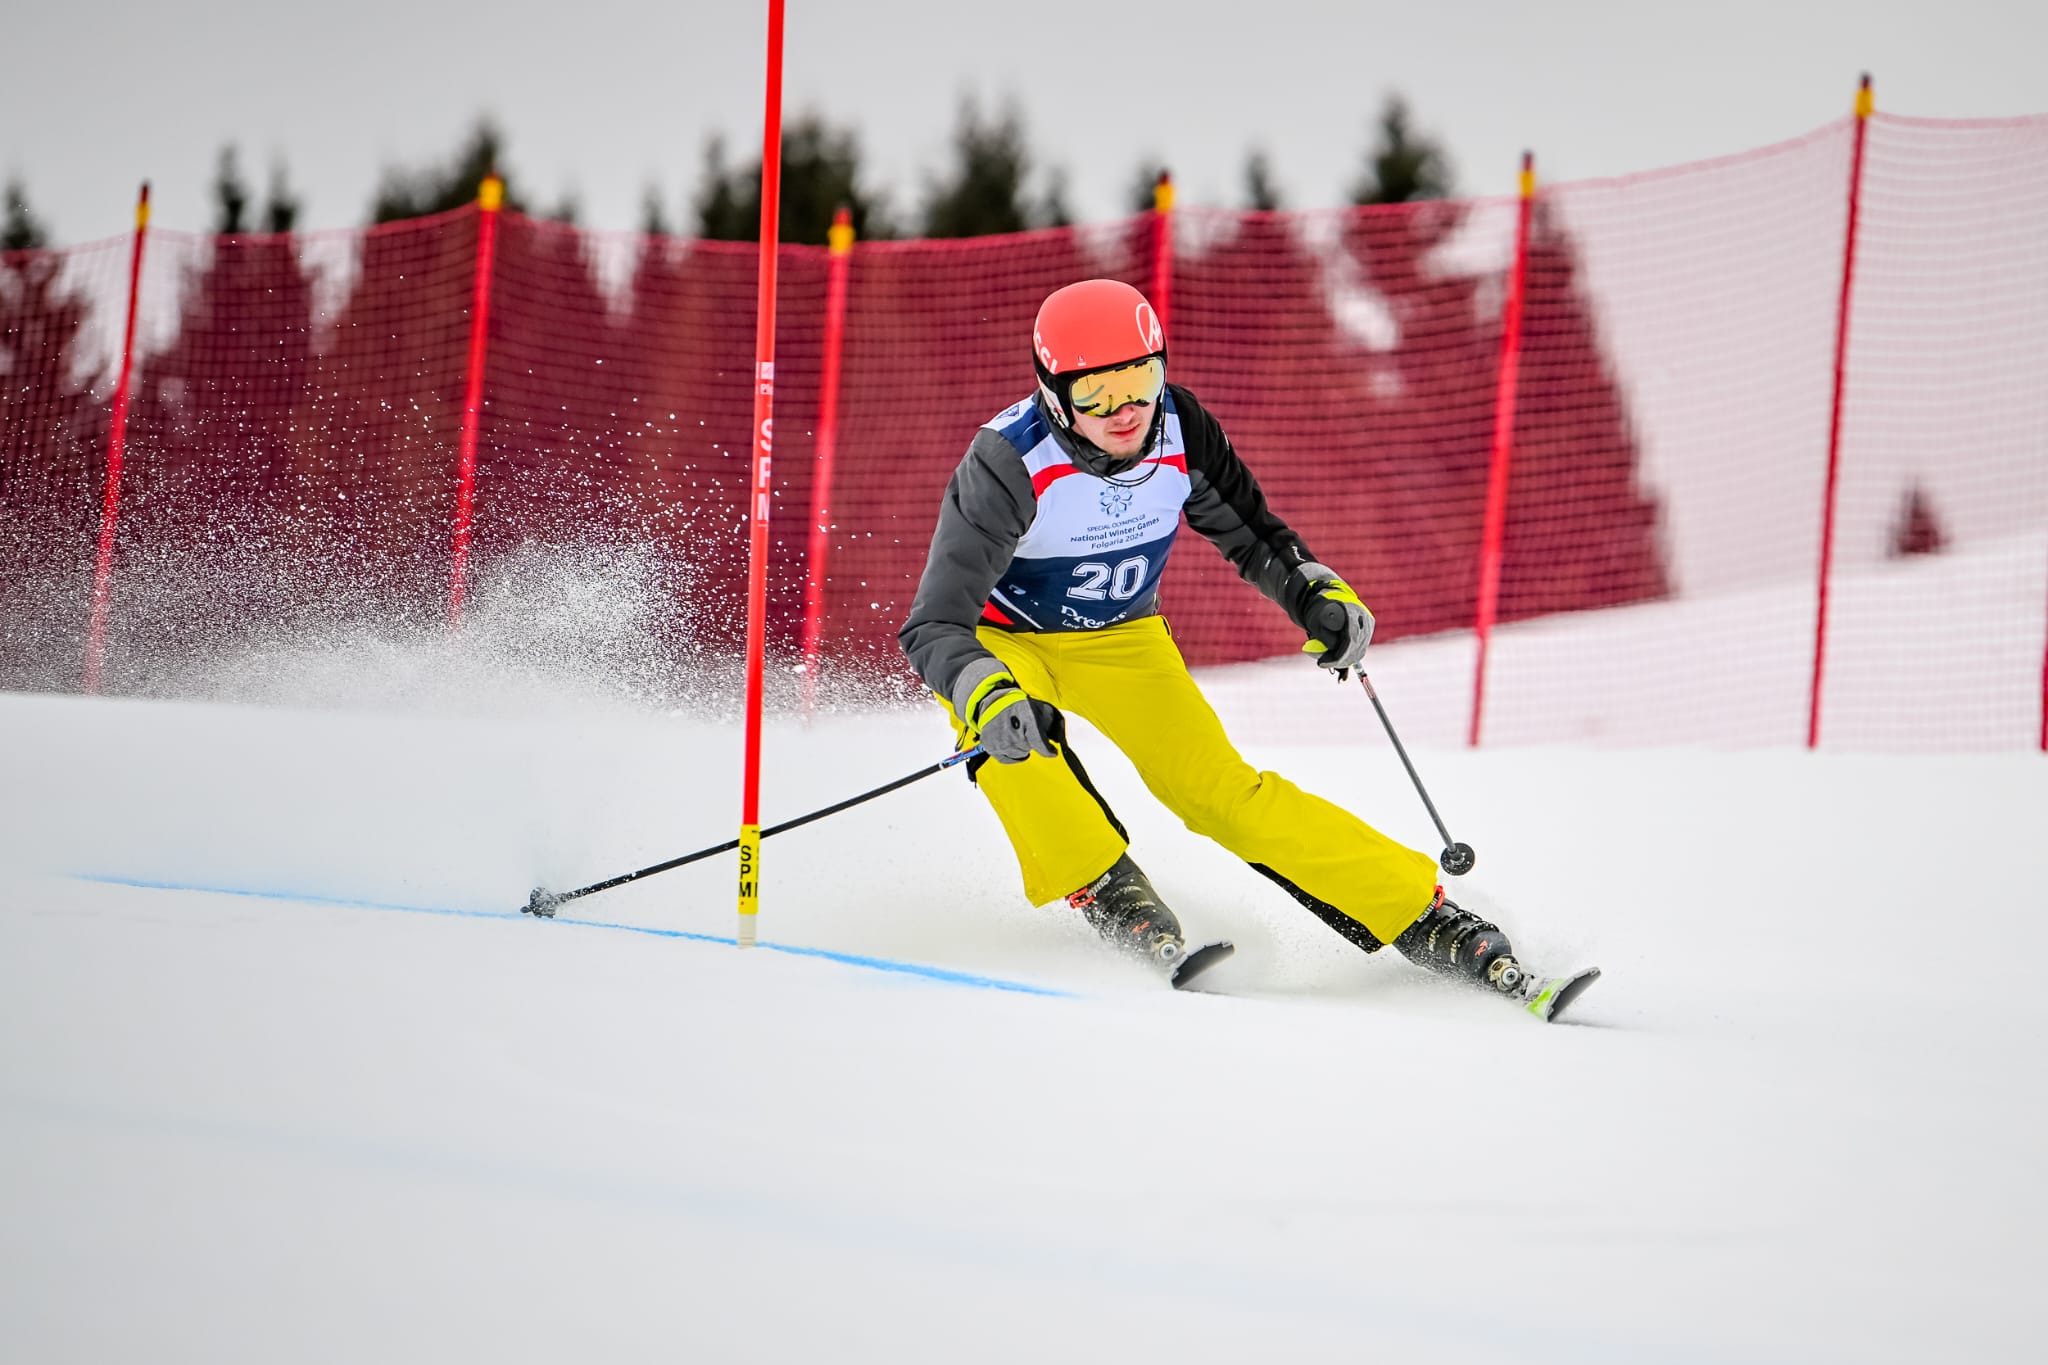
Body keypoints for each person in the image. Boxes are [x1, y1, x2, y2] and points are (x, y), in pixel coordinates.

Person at [899, 277, 1527, 999]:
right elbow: (935, 622)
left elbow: (1255, 535)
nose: (1126, 410)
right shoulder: (1007, 463)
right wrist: (984, 690)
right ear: (1053, 394)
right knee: (1015, 749)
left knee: (1220, 794)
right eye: (1097, 395)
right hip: (1004, 639)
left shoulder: (1181, 429)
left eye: (1140, 380)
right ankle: (1107, 889)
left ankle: (1423, 914)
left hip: (1122, 639)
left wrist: (1314, 592)